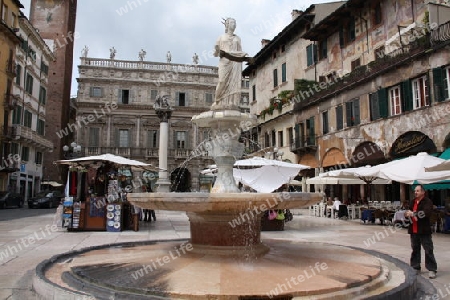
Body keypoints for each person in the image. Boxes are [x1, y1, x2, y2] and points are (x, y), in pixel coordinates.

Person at [211, 18, 252, 111]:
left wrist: (245, 57)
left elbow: (239, 52)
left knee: (234, 84)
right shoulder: (221, 37)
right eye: (232, 22)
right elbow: (215, 53)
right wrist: (217, 50)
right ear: (227, 25)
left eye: (235, 23)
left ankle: (231, 102)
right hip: (224, 62)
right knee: (221, 81)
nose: (234, 24)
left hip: (235, 63)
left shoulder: (237, 38)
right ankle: (217, 100)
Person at [404, 185, 437, 279]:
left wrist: (413, 214)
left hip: (424, 230)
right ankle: (415, 267)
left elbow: (426, 213)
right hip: (413, 230)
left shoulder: (427, 202)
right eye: (415, 191)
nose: (415, 192)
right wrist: (406, 214)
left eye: (417, 191)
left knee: (428, 250)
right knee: (415, 249)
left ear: (423, 192)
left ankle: (432, 269)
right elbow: (407, 211)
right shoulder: (413, 201)